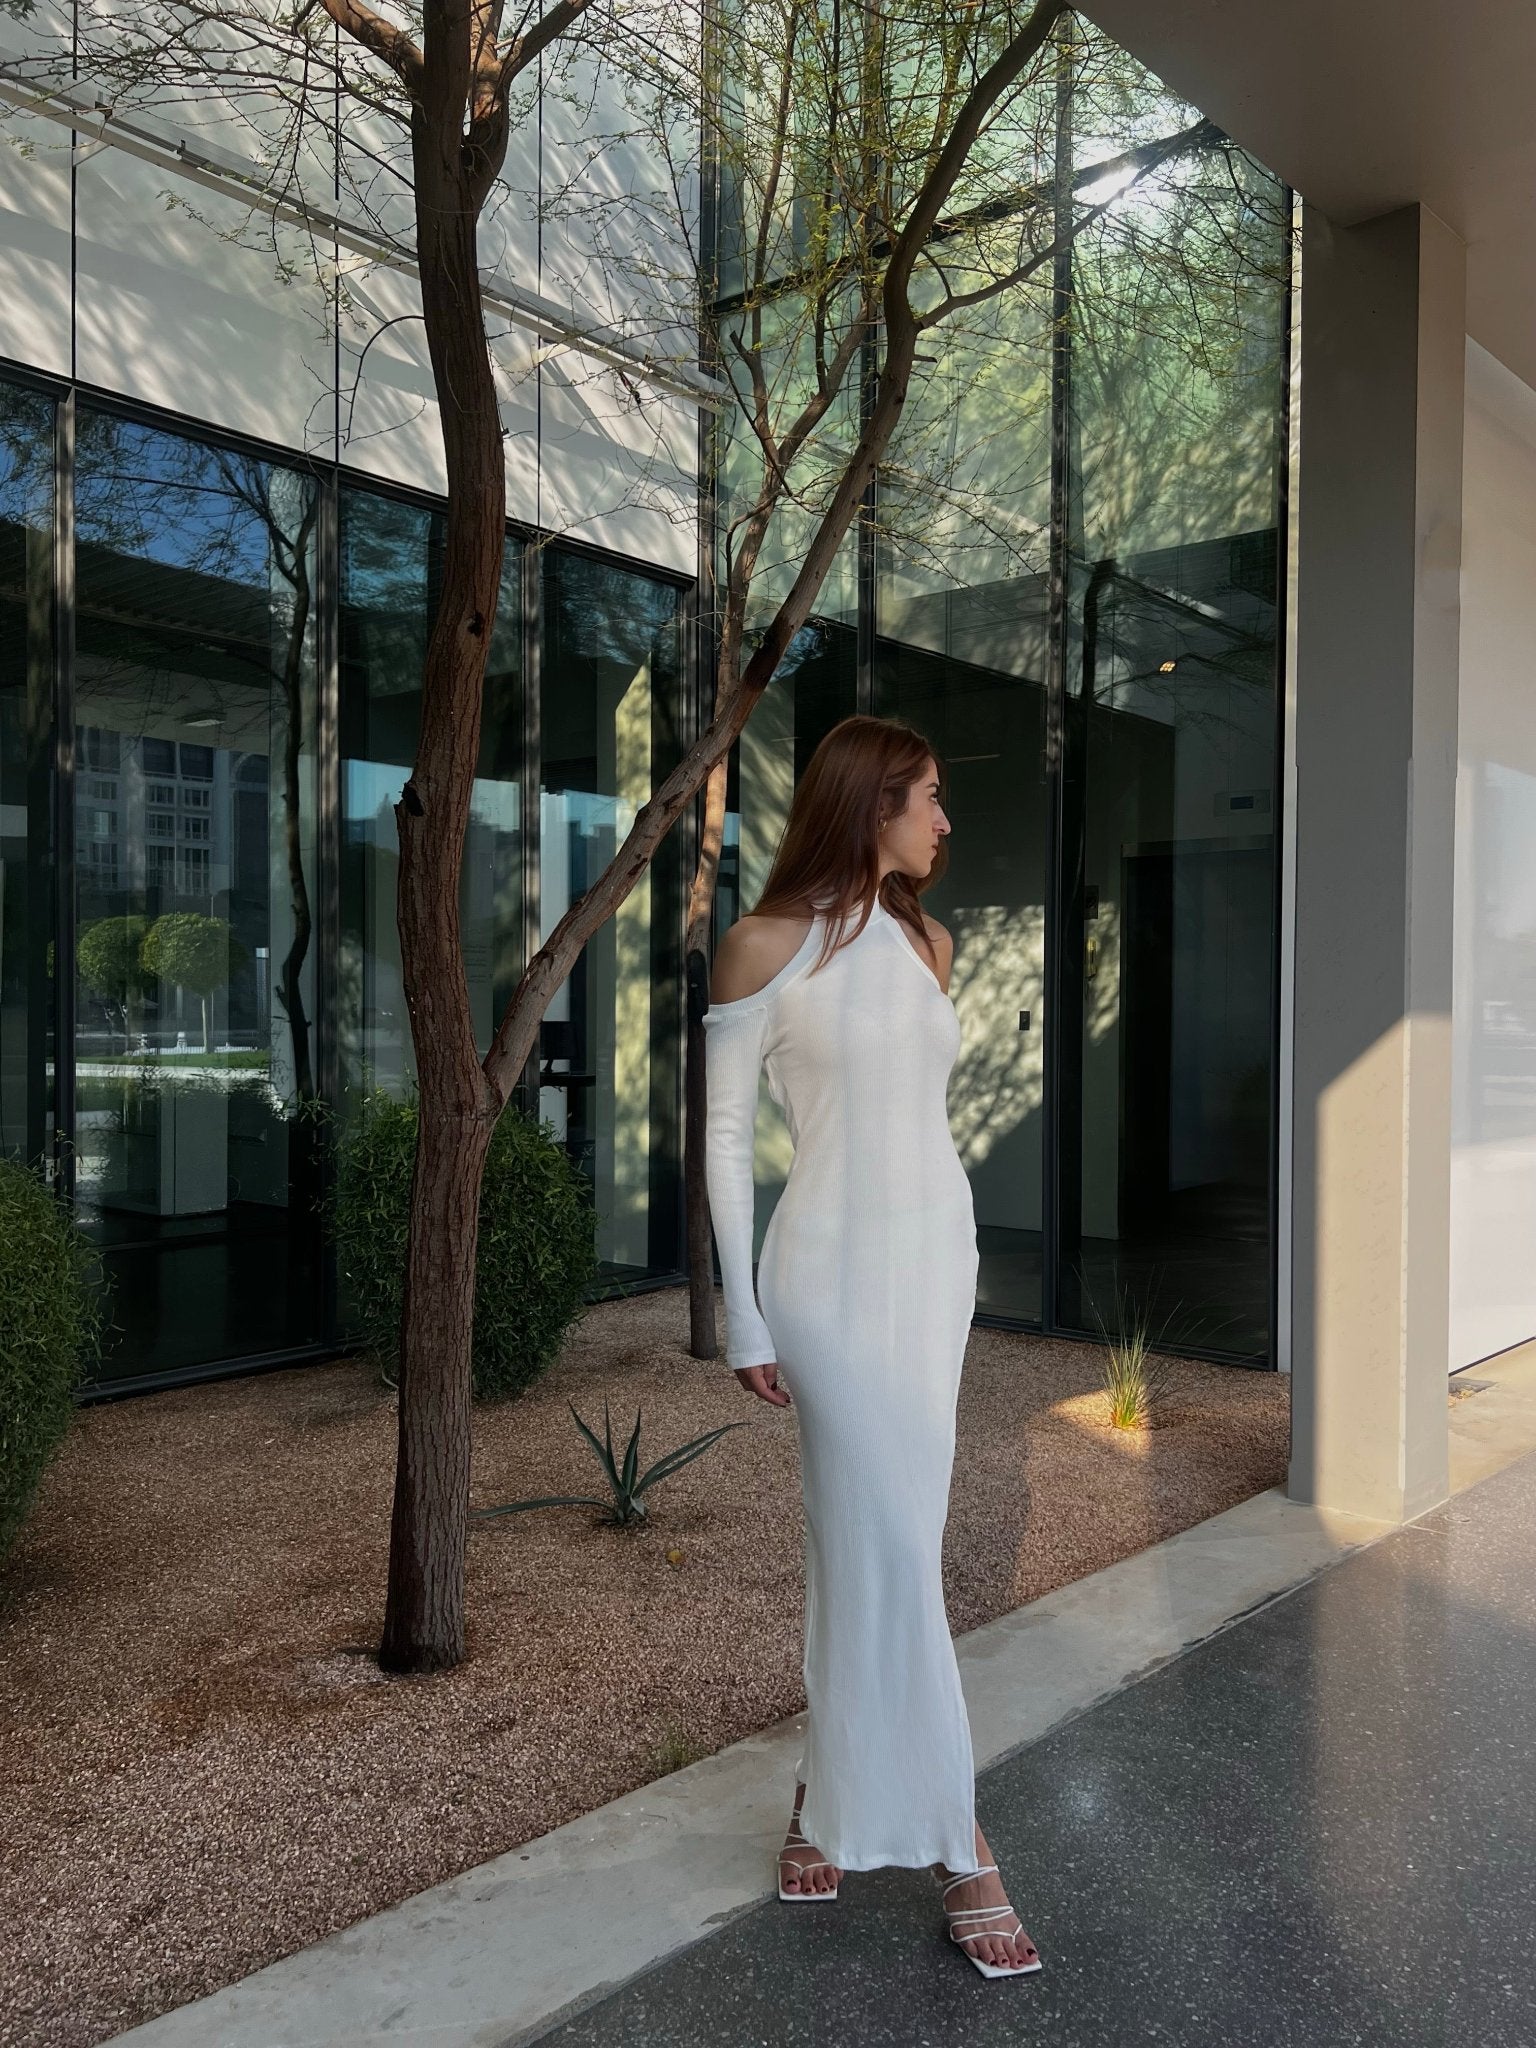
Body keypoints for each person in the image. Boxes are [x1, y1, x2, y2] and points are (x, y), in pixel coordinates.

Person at [701, 714, 1041, 1980]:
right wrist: (743, 1310)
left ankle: (819, 1794)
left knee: (871, 1541)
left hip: (929, 1270)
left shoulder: (928, 942)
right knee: (894, 1546)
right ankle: (962, 1841)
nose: (946, 823)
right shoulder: (761, 948)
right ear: (871, 800)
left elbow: (918, 1122)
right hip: (827, 1281)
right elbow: (725, 1143)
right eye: (930, 799)